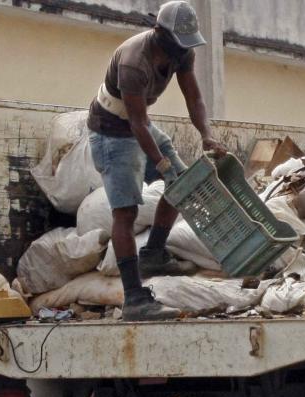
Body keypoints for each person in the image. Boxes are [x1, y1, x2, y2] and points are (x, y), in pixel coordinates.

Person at [87, 0, 228, 321]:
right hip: (112, 130)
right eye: (177, 44)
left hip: (139, 125)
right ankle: (134, 298)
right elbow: (136, 123)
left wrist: (206, 133)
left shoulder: (183, 52)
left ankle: (153, 253)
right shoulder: (134, 63)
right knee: (125, 212)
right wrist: (160, 164)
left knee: (182, 182)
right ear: (159, 34)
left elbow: (194, 97)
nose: (181, 52)